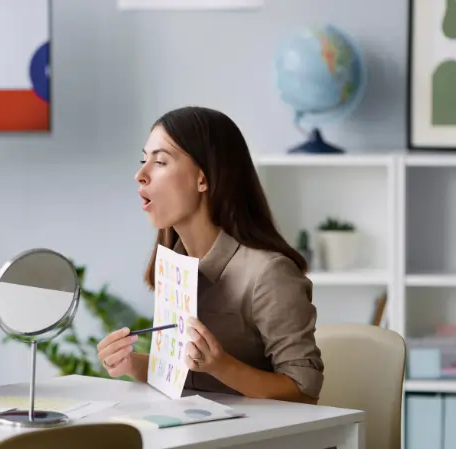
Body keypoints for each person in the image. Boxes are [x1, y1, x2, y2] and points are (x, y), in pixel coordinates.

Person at [97, 106, 324, 404]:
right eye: (143, 161)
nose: (140, 174)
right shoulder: (173, 265)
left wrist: (222, 365)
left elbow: (304, 391)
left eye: (160, 161)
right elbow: (186, 377)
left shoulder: (269, 273)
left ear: (203, 180)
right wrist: (129, 363)